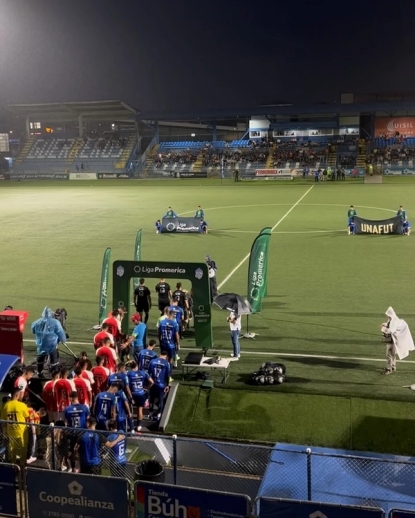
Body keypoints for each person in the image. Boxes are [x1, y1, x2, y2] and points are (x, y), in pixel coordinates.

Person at [31, 307, 66, 376]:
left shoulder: (37, 322)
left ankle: (39, 372)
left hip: (41, 345)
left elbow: (33, 330)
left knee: (40, 359)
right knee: (54, 359)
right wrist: (63, 340)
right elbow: (61, 333)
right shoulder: (55, 322)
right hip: (51, 345)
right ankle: (54, 373)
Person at [0, 388, 31, 466]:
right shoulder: (22, 405)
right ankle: (22, 465)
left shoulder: (6, 405)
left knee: (12, 449)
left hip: (10, 430)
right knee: (23, 448)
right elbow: (27, 416)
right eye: (20, 394)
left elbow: (3, 420)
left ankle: (13, 465)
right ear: (17, 395)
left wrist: (5, 431)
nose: (21, 396)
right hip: (21, 431)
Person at [380, 307, 415, 375]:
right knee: (392, 354)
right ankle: (393, 366)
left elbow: (391, 330)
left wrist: (383, 329)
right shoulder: (392, 319)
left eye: (387, 315)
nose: (387, 316)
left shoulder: (394, 321)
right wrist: (385, 324)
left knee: (389, 354)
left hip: (393, 340)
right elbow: (390, 325)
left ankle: (389, 369)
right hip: (394, 339)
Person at [127, 361, 154, 431]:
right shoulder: (143, 373)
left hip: (132, 393)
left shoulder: (128, 373)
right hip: (141, 393)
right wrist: (146, 388)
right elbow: (152, 382)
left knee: (129, 410)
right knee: (140, 410)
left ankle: (131, 426)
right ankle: (139, 425)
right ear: (137, 366)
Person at [148, 351, 170, 421]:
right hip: (161, 384)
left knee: (152, 399)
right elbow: (167, 375)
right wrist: (167, 385)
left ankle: (150, 414)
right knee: (160, 399)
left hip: (153, 383)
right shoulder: (166, 363)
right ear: (166, 356)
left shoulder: (152, 361)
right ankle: (158, 415)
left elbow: (149, 373)